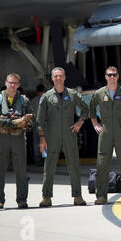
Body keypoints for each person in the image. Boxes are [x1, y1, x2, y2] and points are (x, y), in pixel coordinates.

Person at [37, 67, 89, 207]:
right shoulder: (46, 97)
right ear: (52, 78)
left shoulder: (72, 94)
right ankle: (46, 197)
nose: (58, 78)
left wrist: (80, 122)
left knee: (73, 165)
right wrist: (42, 139)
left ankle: (77, 196)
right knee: (49, 166)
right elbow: (40, 121)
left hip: (69, 134)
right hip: (52, 136)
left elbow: (86, 109)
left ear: (64, 78)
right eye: (56, 76)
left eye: (60, 76)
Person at [89, 66, 121, 205]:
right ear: (105, 77)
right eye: (109, 75)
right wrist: (95, 124)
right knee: (102, 163)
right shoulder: (99, 93)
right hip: (106, 131)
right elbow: (91, 109)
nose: (111, 77)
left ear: (117, 76)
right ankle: (101, 196)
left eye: (114, 75)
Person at [0, 73, 34, 209]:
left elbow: (32, 118)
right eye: (10, 82)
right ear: (6, 83)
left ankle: (21, 199)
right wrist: (11, 123)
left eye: (15, 83)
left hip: (18, 138)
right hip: (2, 138)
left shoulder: (24, 100)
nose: (12, 85)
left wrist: (26, 123)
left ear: (19, 85)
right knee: (0, 168)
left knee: (21, 170)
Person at [30, 84, 46, 166]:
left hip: (36, 125)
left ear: (36, 91)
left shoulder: (33, 101)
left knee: (36, 142)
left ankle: (38, 159)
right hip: (46, 125)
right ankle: (46, 158)